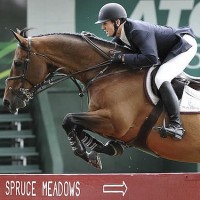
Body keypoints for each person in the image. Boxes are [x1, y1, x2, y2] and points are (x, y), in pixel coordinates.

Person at [95, 3, 197, 140]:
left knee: (161, 77)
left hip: (184, 45)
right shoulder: (121, 35)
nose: (102, 27)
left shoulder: (137, 31)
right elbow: (111, 54)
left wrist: (123, 57)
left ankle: (176, 125)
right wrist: (93, 41)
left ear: (117, 21)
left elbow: (151, 58)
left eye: (105, 23)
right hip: (169, 50)